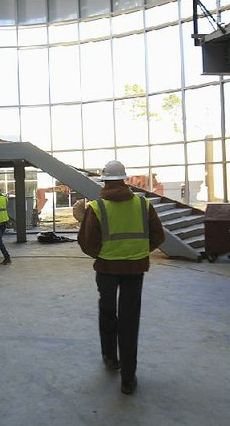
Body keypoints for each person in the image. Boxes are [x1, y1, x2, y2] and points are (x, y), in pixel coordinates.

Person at [78, 160, 166, 395]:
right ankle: (128, 378)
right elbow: (158, 236)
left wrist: (105, 254)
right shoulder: (143, 204)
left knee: (108, 312)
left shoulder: (97, 208)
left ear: (104, 180)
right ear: (125, 179)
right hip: (135, 270)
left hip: (106, 270)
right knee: (129, 320)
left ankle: (110, 358)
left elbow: (87, 244)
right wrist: (138, 251)